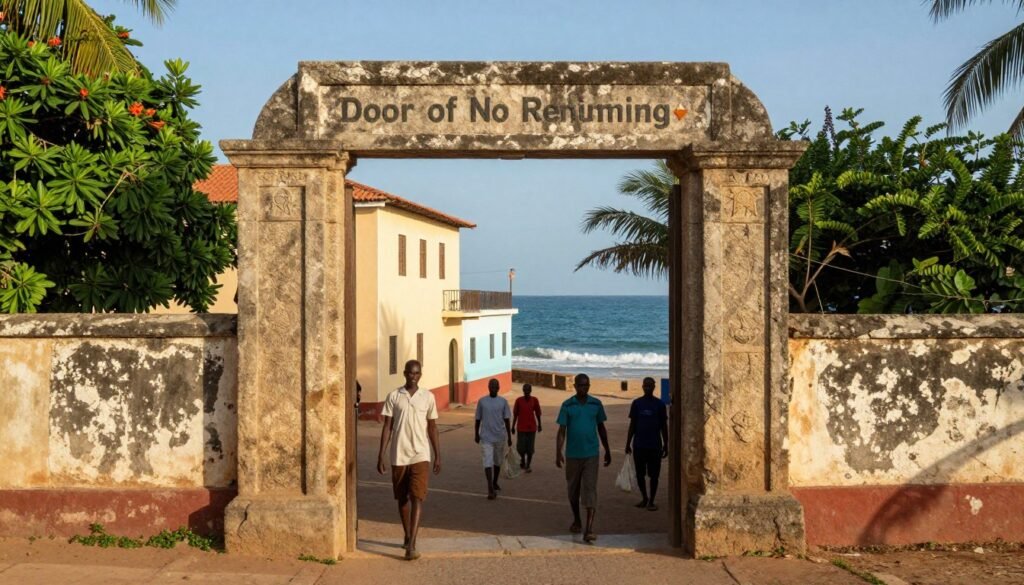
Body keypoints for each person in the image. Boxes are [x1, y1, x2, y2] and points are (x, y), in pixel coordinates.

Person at [376, 360, 441, 561]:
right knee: (402, 498)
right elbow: (387, 426)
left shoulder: (428, 397)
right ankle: (407, 533)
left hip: (420, 454)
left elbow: (432, 427)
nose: (414, 376)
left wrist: (438, 454)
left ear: (420, 374)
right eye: (410, 373)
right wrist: (381, 454)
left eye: (417, 373)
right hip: (399, 454)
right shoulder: (394, 396)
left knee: (417, 497)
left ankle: (411, 544)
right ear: (404, 374)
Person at [555, 373, 611, 544]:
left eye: (586, 385)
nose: (583, 388)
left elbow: (601, 428)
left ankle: (589, 529)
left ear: (589, 386)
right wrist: (558, 452)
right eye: (580, 385)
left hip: (591, 455)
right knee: (573, 492)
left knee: (590, 490)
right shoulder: (567, 405)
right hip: (572, 455)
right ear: (575, 386)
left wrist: (607, 450)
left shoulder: (596, 404)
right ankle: (577, 520)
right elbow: (562, 431)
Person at [625, 377, 669, 511]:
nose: (648, 388)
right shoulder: (637, 403)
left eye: (650, 386)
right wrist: (628, 443)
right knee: (640, 474)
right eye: (646, 386)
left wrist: (666, 444)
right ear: (642, 387)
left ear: (654, 387)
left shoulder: (660, 405)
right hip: (639, 445)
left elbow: (663, 426)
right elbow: (632, 425)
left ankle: (652, 500)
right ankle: (644, 497)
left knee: (654, 475)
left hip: (655, 445)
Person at [475, 378, 512, 500]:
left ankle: (495, 481)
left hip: (500, 437)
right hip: (486, 437)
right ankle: (490, 488)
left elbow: (507, 420)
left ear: (499, 388)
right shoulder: (482, 402)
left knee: (497, 461)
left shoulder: (503, 402)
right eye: (491, 386)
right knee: (487, 461)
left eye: (495, 386)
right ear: (488, 387)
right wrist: (476, 434)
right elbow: (478, 419)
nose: (493, 388)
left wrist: (510, 437)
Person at [511, 383, 542, 472]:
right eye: (525, 390)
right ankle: (523, 461)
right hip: (521, 428)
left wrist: (539, 424)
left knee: (530, 448)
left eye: (528, 390)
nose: (526, 392)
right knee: (520, 448)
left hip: (532, 428)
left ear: (531, 390)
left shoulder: (534, 400)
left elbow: (538, 413)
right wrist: (513, 426)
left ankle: (528, 465)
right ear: (523, 390)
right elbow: (515, 415)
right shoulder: (518, 400)